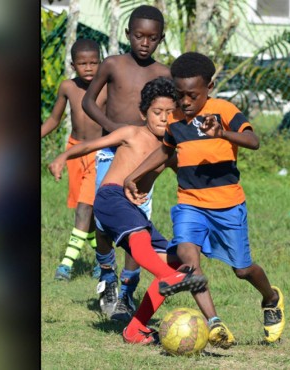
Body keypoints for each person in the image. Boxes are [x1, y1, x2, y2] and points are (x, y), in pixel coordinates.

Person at [124, 52, 286, 345]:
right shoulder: (174, 119)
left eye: (192, 95)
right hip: (190, 203)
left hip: (228, 205)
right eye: (179, 94)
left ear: (209, 87)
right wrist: (133, 175)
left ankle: (271, 298)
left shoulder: (223, 110)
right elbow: (165, 151)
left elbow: (253, 141)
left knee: (243, 269)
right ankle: (214, 323)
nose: (184, 101)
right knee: (188, 258)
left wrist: (223, 133)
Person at [49, 77, 207, 343]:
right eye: (158, 113)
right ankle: (167, 278)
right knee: (150, 249)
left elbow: (190, 176)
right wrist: (63, 157)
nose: (164, 118)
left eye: (171, 113)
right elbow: (90, 146)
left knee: (178, 262)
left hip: (134, 212)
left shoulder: (169, 151)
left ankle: (135, 329)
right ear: (143, 113)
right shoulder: (132, 133)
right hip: (110, 197)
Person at [81, 5, 172, 321]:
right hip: (111, 154)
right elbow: (88, 101)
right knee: (102, 220)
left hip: (145, 157)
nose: (144, 43)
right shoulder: (113, 64)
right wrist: (114, 127)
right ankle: (107, 276)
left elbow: (171, 115)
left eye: (152, 37)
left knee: (139, 227)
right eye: (139, 36)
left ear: (161, 38)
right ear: (127, 34)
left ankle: (126, 294)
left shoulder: (165, 74)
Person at [41, 39, 107, 281]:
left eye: (93, 63)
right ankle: (103, 260)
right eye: (83, 63)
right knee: (84, 213)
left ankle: (66, 265)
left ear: (101, 62)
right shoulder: (67, 87)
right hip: (73, 152)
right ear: (73, 64)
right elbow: (54, 120)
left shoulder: (107, 88)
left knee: (85, 207)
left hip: (99, 152)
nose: (89, 68)